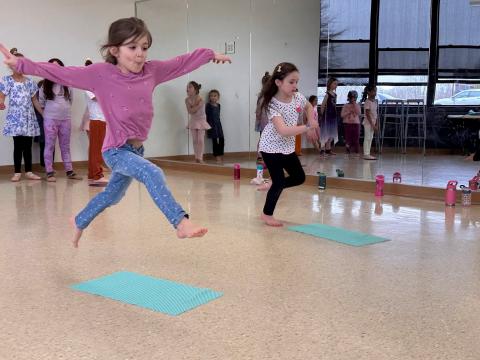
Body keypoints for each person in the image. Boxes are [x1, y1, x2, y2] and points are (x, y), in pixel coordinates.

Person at [0, 17, 231, 247]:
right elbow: (62, 73)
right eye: (132, 47)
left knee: (114, 195)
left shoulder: (152, 71)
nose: (140, 53)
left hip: (137, 150)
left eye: (144, 47)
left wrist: (209, 55)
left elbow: (181, 62)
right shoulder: (101, 74)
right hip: (116, 150)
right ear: (114, 50)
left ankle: (80, 221)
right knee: (153, 173)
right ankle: (180, 222)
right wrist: (21, 65)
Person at [257, 62, 318, 227]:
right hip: (271, 146)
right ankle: (266, 214)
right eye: (291, 82)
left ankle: (271, 183)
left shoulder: (298, 96)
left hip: (286, 147)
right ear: (278, 82)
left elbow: (309, 106)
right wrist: (307, 127)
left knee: (299, 177)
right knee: (278, 182)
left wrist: (311, 119)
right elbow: (283, 130)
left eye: (297, 82)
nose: (295, 85)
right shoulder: (272, 104)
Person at [0, 47, 42, 182]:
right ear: (11, 66)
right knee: (18, 145)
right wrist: (1, 102)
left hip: (28, 118)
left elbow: (34, 100)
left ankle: (29, 171)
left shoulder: (30, 82)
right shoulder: (6, 81)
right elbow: (2, 96)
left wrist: (43, 113)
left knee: (27, 145)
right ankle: (17, 172)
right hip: (15, 118)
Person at [38, 57, 82, 182]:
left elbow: (70, 101)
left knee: (65, 146)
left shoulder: (68, 84)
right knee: (49, 145)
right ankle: (49, 172)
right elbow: (41, 102)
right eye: (52, 67)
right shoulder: (44, 85)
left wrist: (64, 111)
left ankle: (69, 171)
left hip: (65, 119)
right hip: (50, 120)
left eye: (57, 66)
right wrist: (48, 114)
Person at [83, 58, 108, 186]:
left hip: (102, 120)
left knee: (96, 148)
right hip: (96, 119)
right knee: (96, 149)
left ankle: (93, 174)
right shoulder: (89, 85)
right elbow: (98, 98)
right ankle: (97, 175)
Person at [185, 81, 210, 163]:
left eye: (190, 87)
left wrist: (195, 107)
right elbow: (191, 111)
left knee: (200, 140)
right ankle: (197, 157)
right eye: (187, 87)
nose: (188, 88)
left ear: (195, 89)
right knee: (195, 140)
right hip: (194, 120)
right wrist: (197, 106)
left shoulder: (200, 98)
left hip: (201, 120)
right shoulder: (187, 100)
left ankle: (200, 157)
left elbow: (193, 110)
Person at [319, 77, 339, 156]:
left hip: (333, 116)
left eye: (337, 84)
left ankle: (328, 149)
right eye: (334, 84)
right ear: (330, 84)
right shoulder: (327, 94)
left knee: (331, 133)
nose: (336, 85)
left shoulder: (335, 94)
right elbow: (322, 106)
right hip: (327, 117)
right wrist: (322, 115)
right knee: (325, 133)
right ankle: (322, 150)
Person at [205, 89, 224, 163]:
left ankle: (221, 154)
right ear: (209, 97)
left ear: (218, 97)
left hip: (218, 124)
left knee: (221, 139)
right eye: (211, 96)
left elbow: (218, 116)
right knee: (215, 140)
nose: (213, 97)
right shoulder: (208, 105)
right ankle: (217, 156)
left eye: (215, 96)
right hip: (211, 125)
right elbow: (206, 116)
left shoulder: (219, 105)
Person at [341, 90, 361, 156]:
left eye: (354, 98)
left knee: (356, 138)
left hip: (356, 124)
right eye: (351, 97)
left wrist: (354, 104)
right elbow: (342, 115)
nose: (352, 99)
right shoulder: (345, 105)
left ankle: (356, 151)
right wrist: (348, 112)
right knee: (348, 138)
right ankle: (348, 150)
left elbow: (359, 113)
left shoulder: (357, 105)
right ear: (349, 97)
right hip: (347, 124)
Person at [361, 84, 379, 160]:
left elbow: (375, 113)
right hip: (368, 123)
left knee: (370, 138)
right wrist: (372, 124)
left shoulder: (374, 102)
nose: (375, 93)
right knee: (367, 137)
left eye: (376, 91)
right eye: (374, 91)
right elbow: (368, 114)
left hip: (373, 123)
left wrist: (377, 124)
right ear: (369, 92)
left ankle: (368, 153)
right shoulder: (367, 102)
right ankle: (366, 154)